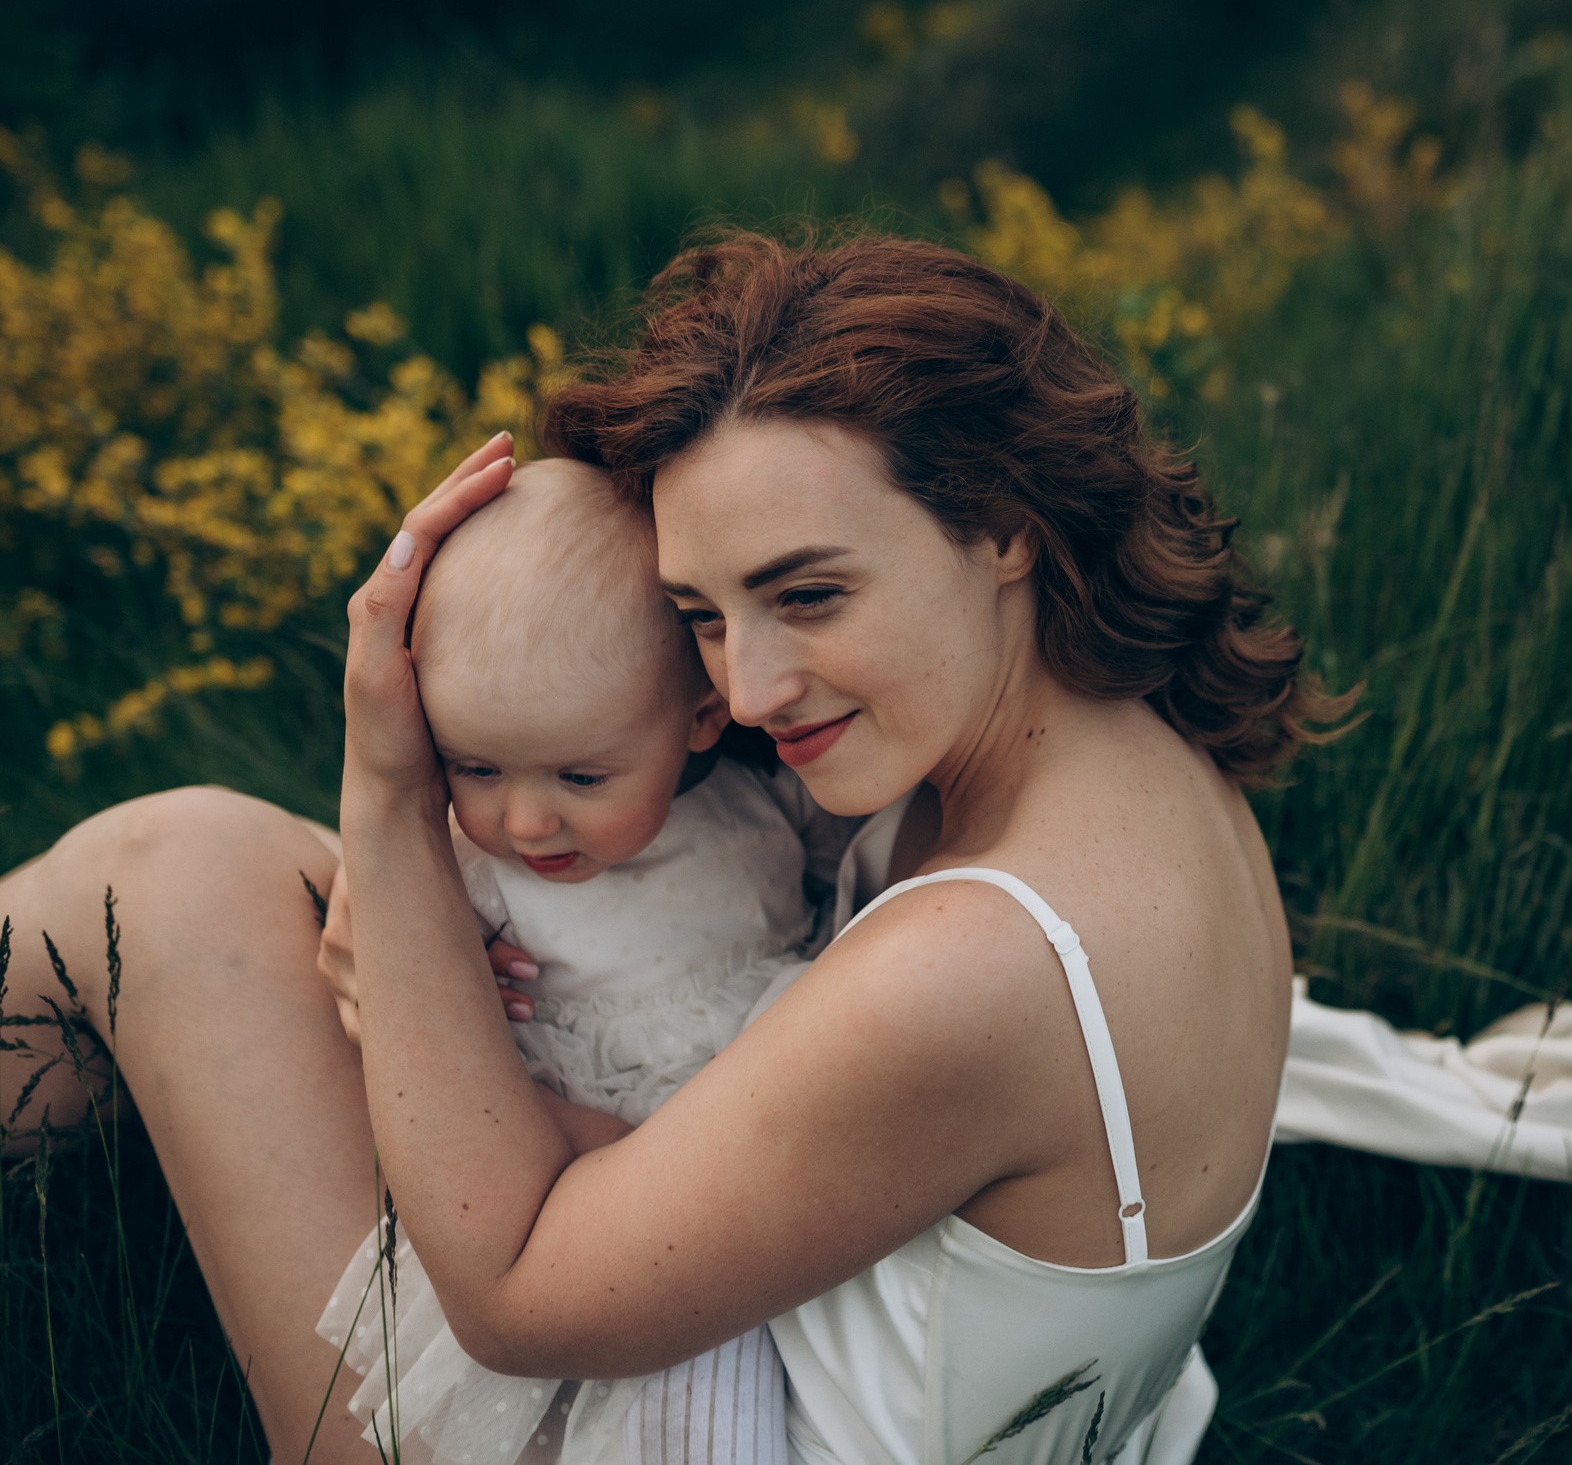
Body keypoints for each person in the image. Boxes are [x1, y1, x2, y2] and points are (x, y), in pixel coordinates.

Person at [2, 233, 1329, 1464]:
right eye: (700, 612)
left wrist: (394, 805)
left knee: (172, 870)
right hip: (831, 1342)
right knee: (250, 869)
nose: (746, 689)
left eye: (809, 593)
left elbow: (515, 1299)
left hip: (694, 1415)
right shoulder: (1132, 749)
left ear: (1005, 528)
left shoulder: (980, 963)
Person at [318, 456, 851, 1464]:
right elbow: (436, 1055)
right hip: (564, 1189)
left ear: (702, 717)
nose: (524, 819)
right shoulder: (472, 870)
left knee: (750, 1356)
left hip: (755, 1180)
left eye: (581, 775)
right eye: (477, 766)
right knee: (671, 1387)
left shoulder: (766, 805)